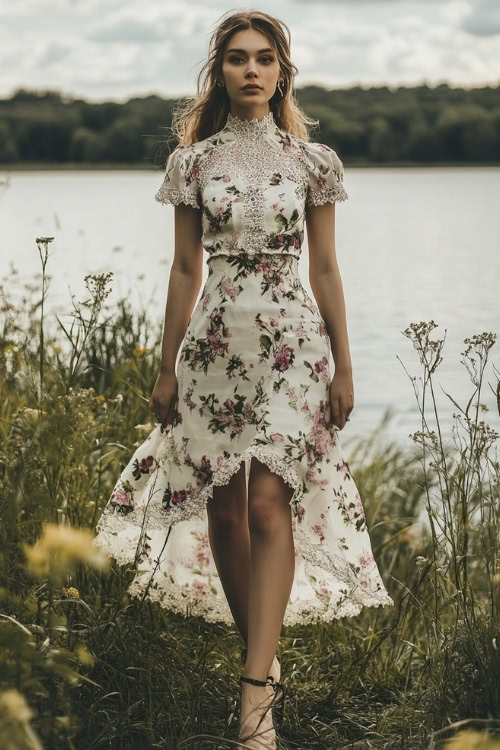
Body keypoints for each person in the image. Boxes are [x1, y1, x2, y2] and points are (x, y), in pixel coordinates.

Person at [93, 9, 394, 749]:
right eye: (237, 58)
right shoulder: (192, 164)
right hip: (215, 345)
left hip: (295, 344)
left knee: (268, 503)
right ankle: (260, 650)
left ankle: (255, 697)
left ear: (281, 71)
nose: (251, 70)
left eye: (264, 58)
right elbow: (185, 268)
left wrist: (346, 366)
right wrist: (165, 366)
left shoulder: (312, 162)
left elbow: (325, 266)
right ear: (219, 72)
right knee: (224, 507)